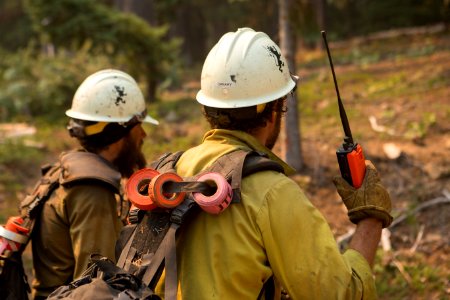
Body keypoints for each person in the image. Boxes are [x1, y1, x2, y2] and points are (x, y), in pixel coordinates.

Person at [154, 27, 393, 299]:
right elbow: (342, 294)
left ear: (208, 109)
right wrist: (372, 218)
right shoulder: (272, 193)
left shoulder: (168, 175)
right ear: (274, 109)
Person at [31, 69, 159, 299]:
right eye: (138, 124)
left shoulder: (63, 172)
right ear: (118, 132)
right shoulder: (92, 191)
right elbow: (96, 285)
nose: (144, 135)